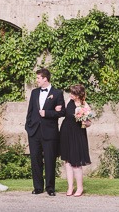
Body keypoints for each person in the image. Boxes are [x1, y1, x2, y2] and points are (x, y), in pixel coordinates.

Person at [24, 67, 65, 196]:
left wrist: (47, 113)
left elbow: (62, 112)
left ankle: (50, 188)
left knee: (49, 160)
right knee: (35, 160)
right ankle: (37, 187)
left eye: (38, 78)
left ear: (45, 79)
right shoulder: (34, 92)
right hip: (34, 132)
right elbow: (30, 111)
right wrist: (28, 127)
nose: (36, 80)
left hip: (50, 132)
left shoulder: (57, 93)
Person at [59, 84, 92, 197]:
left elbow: (89, 122)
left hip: (77, 133)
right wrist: (58, 109)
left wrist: (85, 122)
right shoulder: (68, 100)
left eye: (73, 93)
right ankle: (70, 187)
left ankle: (80, 187)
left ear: (79, 95)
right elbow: (63, 112)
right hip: (66, 131)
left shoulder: (84, 105)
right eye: (71, 93)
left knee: (76, 162)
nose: (71, 95)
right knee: (67, 161)